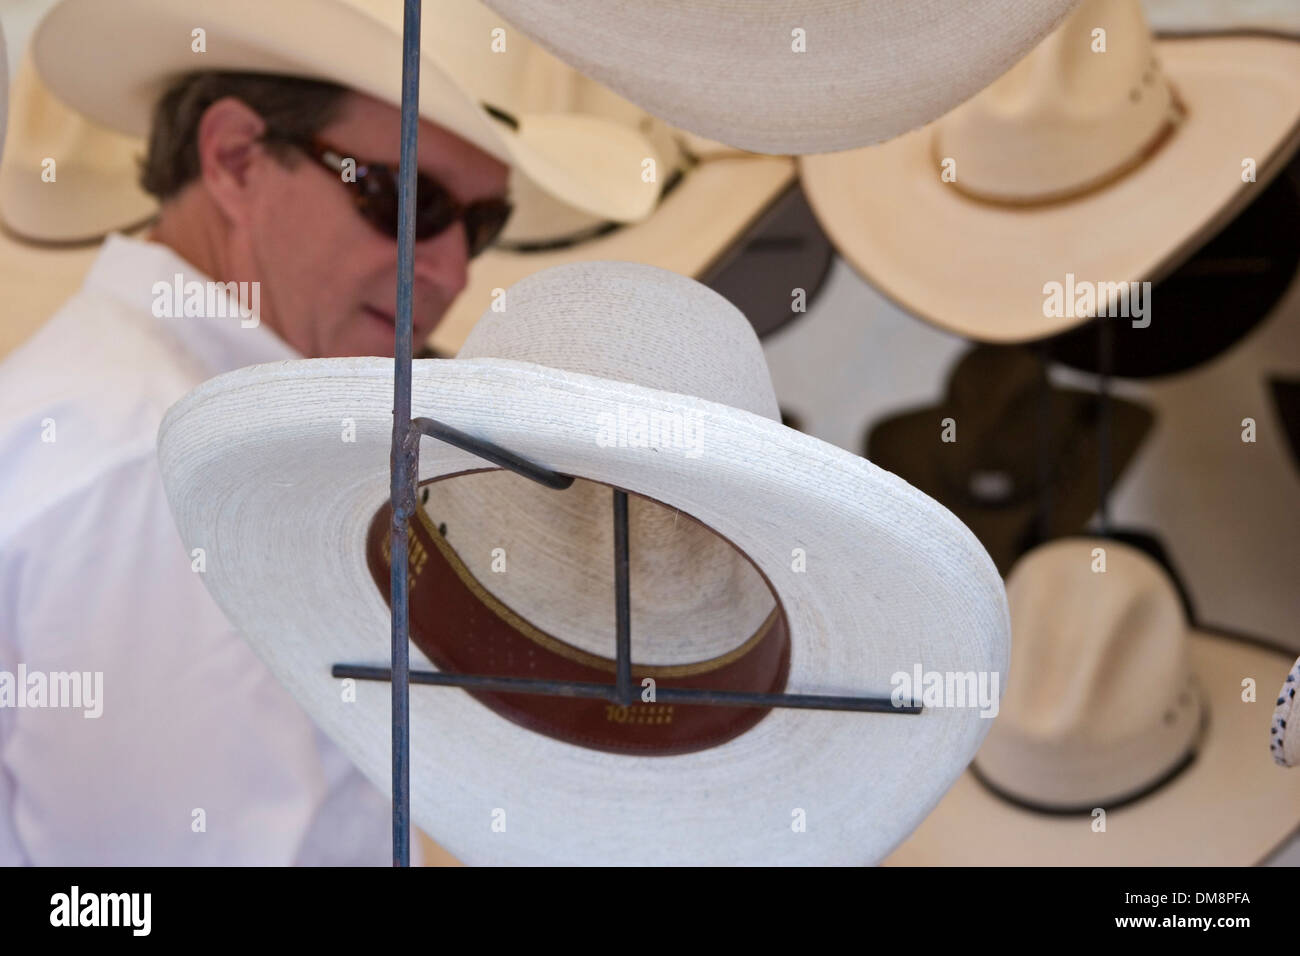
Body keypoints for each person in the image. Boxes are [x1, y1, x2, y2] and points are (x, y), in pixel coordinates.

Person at [0, 64, 515, 863]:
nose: (452, 272)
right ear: (236, 158)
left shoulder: (136, 412)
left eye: (478, 225)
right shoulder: (170, 467)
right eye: (408, 200)